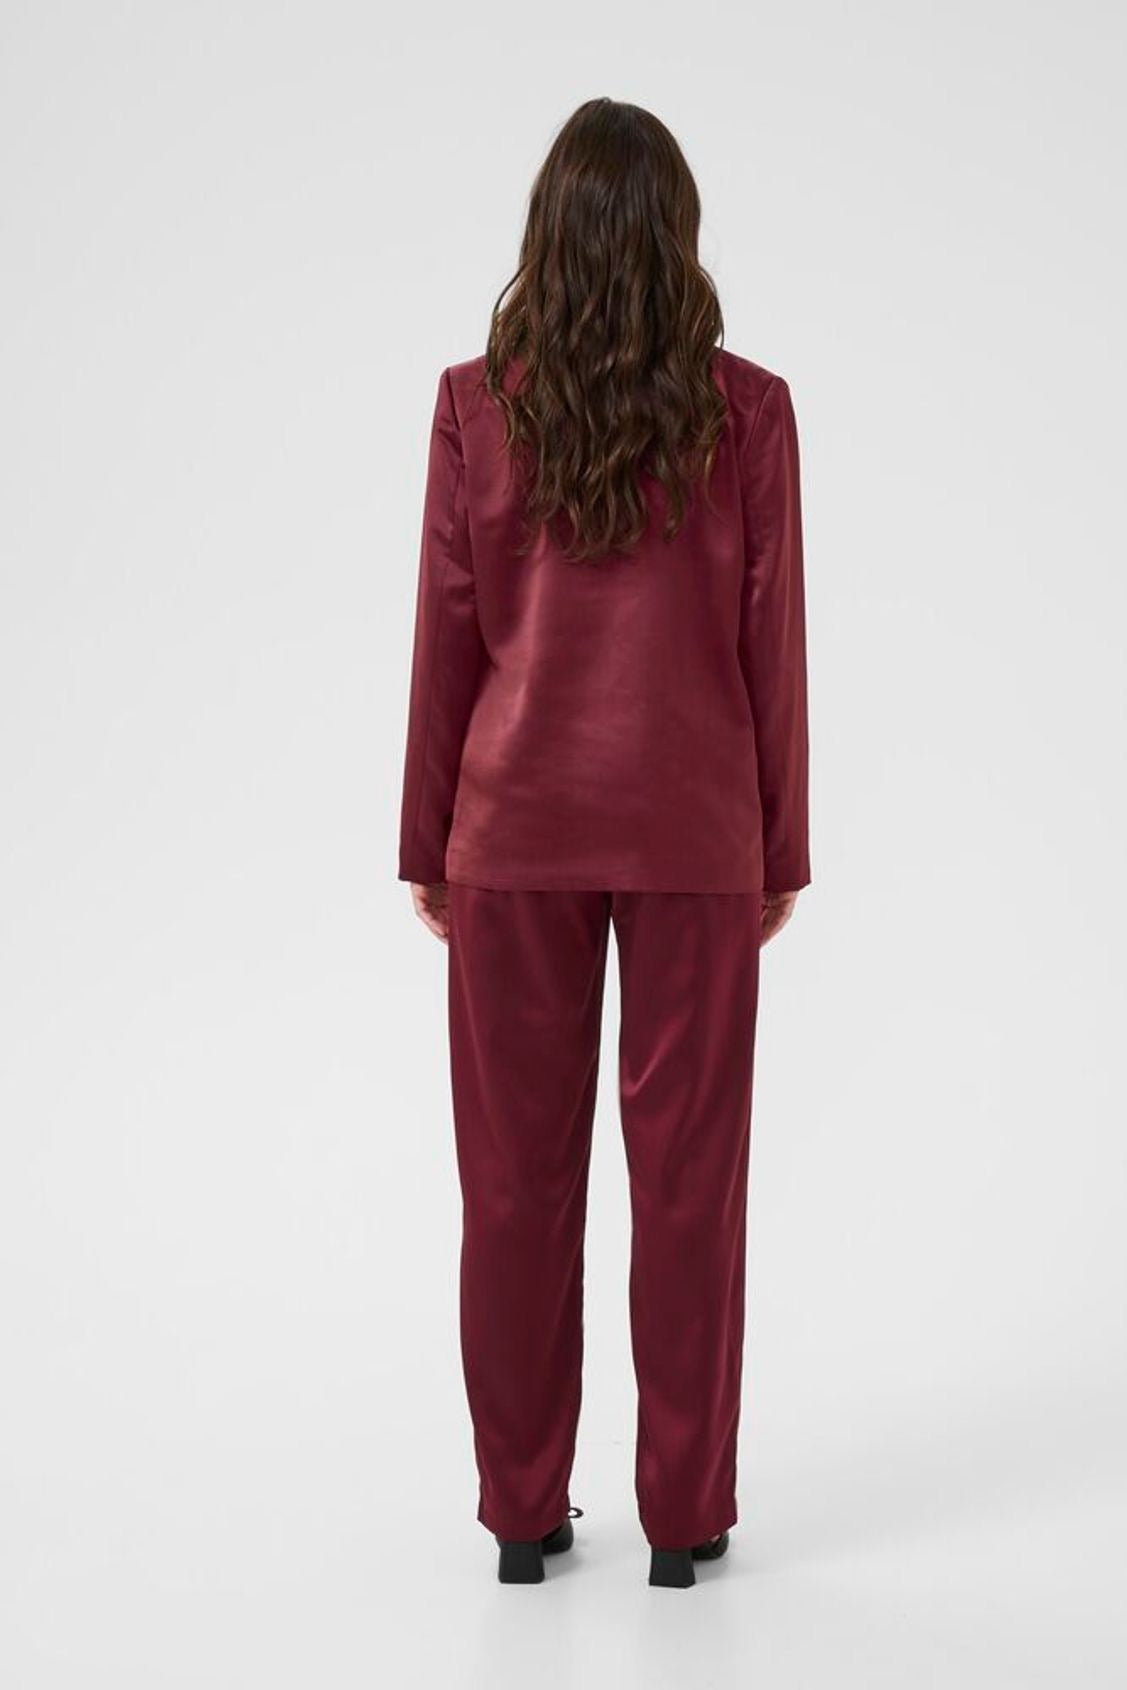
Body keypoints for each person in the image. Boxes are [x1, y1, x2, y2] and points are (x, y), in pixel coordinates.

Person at [397, 97, 810, 1590]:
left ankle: (523, 1512)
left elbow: (449, 635)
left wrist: (429, 838)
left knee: (513, 1182)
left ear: (548, 238)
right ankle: (685, 1515)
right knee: (691, 1183)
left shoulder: (476, 404)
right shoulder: (746, 412)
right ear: (676, 237)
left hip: (513, 827)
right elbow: (773, 644)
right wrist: (778, 846)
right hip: (695, 826)